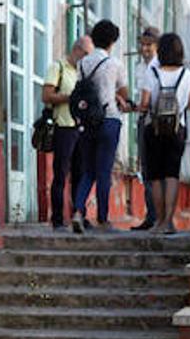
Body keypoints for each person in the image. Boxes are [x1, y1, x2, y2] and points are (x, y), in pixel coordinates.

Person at [71, 19, 129, 234]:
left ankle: (78, 211)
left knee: (88, 171)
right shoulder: (115, 64)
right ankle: (103, 219)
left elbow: (85, 89)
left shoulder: (82, 63)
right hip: (109, 119)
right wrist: (117, 95)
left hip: (87, 122)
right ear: (112, 41)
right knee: (104, 171)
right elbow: (124, 94)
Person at [137, 32, 190, 235]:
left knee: (155, 177)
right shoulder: (186, 75)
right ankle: (169, 222)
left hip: (153, 129)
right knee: (172, 175)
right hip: (176, 129)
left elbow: (145, 104)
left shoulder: (152, 73)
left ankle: (159, 221)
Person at [42, 37, 91, 229]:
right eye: (86, 54)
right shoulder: (58, 67)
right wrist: (70, 98)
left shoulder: (84, 72)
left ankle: (79, 216)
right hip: (64, 126)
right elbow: (46, 96)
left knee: (80, 174)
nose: (87, 58)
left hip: (81, 128)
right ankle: (57, 219)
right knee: (61, 174)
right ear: (76, 50)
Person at [130, 26, 161, 231]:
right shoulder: (141, 67)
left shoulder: (158, 67)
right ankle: (153, 216)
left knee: (154, 170)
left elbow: (146, 101)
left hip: (156, 122)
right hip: (145, 119)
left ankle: (156, 217)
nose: (145, 48)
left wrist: (132, 107)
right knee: (147, 169)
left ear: (157, 46)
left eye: (149, 44)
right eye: (142, 44)